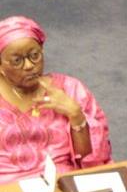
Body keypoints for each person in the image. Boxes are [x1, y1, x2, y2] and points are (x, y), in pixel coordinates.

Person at [0, 15, 110, 183]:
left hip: (61, 185)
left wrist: (76, 115)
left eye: (34, 55)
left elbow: (93, 163)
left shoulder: (71, 89)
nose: (29, 65)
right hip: (7, 191)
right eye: (17, 61)